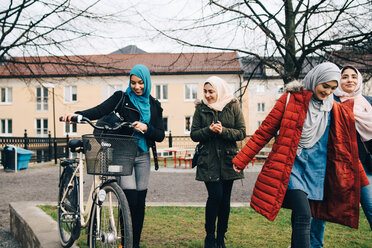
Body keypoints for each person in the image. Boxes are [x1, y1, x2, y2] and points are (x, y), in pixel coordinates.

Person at [232, 62, 369, 248]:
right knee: (304, 214)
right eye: (325, 86)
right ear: (316, 80)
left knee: (301, 217)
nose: (328, 92)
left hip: (316, 172)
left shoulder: (335, 109)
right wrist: (242, 159)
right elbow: (265, 131)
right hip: (291, 167)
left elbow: (346, 149)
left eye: (333, 88)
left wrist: (360, 178)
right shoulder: (290, 100)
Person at [62, 64, 165, 248]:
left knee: (140, 203)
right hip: (122, 153)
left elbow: (160, 134)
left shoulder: (154, 105)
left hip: (143, 156)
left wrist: (146, 127)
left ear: (147, 82)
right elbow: (99, 110)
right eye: (133, 83)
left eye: (141, 83)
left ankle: (134, 244)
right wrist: (77, 115)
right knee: (129, 199)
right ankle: (126, 242)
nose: (137, 87)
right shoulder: (121, 98)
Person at [310, 65, 372, 247]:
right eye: (345, 77)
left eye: (353, 76)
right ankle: (314, 245)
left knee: (370, 207)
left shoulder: (368, 103)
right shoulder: (330, 102)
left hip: (364, 167)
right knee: (322, 210)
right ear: (339, 81)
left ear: (359, 80)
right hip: (336, 166)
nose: (350, 80)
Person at [190, 76, 246, 248]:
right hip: (208, 160)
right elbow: (194, 134)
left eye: (211, 91)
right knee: (215, 196)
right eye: (205, 91)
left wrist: (223, 131)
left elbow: (241, 132)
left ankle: (221, 237)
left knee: (225, 199)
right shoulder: (201, 109)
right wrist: (209, 130)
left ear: (219, 91)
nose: (207, 95)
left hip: (229, 160)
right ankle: (209, 236)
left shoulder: (233, 105)